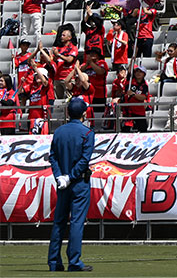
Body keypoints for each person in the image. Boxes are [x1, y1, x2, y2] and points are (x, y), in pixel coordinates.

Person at [48, 98, 95, 272]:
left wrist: (60, 176)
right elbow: (84, 160)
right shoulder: (87, 133)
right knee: (76, 222)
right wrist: (71, 176)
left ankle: (54, 261)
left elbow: (52, 156)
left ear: (68, 113)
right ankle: (74, 261)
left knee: (59, 221)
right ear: (84, 113)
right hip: (79, 182)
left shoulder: (59, 131)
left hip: (62, 183)